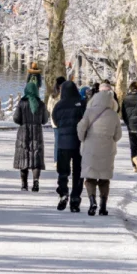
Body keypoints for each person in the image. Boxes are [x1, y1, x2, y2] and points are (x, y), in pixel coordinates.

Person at [77, 85, 121, 216]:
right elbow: (118, 135)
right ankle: (103, 206)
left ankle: (92, 201)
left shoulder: (89, 112)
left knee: (90, 177)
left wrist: (82, 138)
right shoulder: (113, 115)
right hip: (107, 150)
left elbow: (81, 127)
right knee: (104, 179)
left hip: (90, 147)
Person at [51, 79, 86, 211]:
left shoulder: (59, 105)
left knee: (63, 171)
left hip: (63, 143)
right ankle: (75, 198)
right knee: (78, 171)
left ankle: (63, 192)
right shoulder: (82, 104)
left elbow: (55, 121)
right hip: (79, 143)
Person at [12, 74, 49, 191]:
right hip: (37, 133)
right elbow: (44, 120)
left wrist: (23, 122)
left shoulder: (22, 103)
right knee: (36, 158)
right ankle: (36, 182)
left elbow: (16, 118)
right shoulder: (41, 104)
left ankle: (24, 184)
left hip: (23, 133)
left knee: (24, 157)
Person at [121, 81, 137, 171]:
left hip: (130, 126)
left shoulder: (126, 98)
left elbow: (123, 114)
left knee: (133, 147)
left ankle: (134, 166)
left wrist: (128, 123)